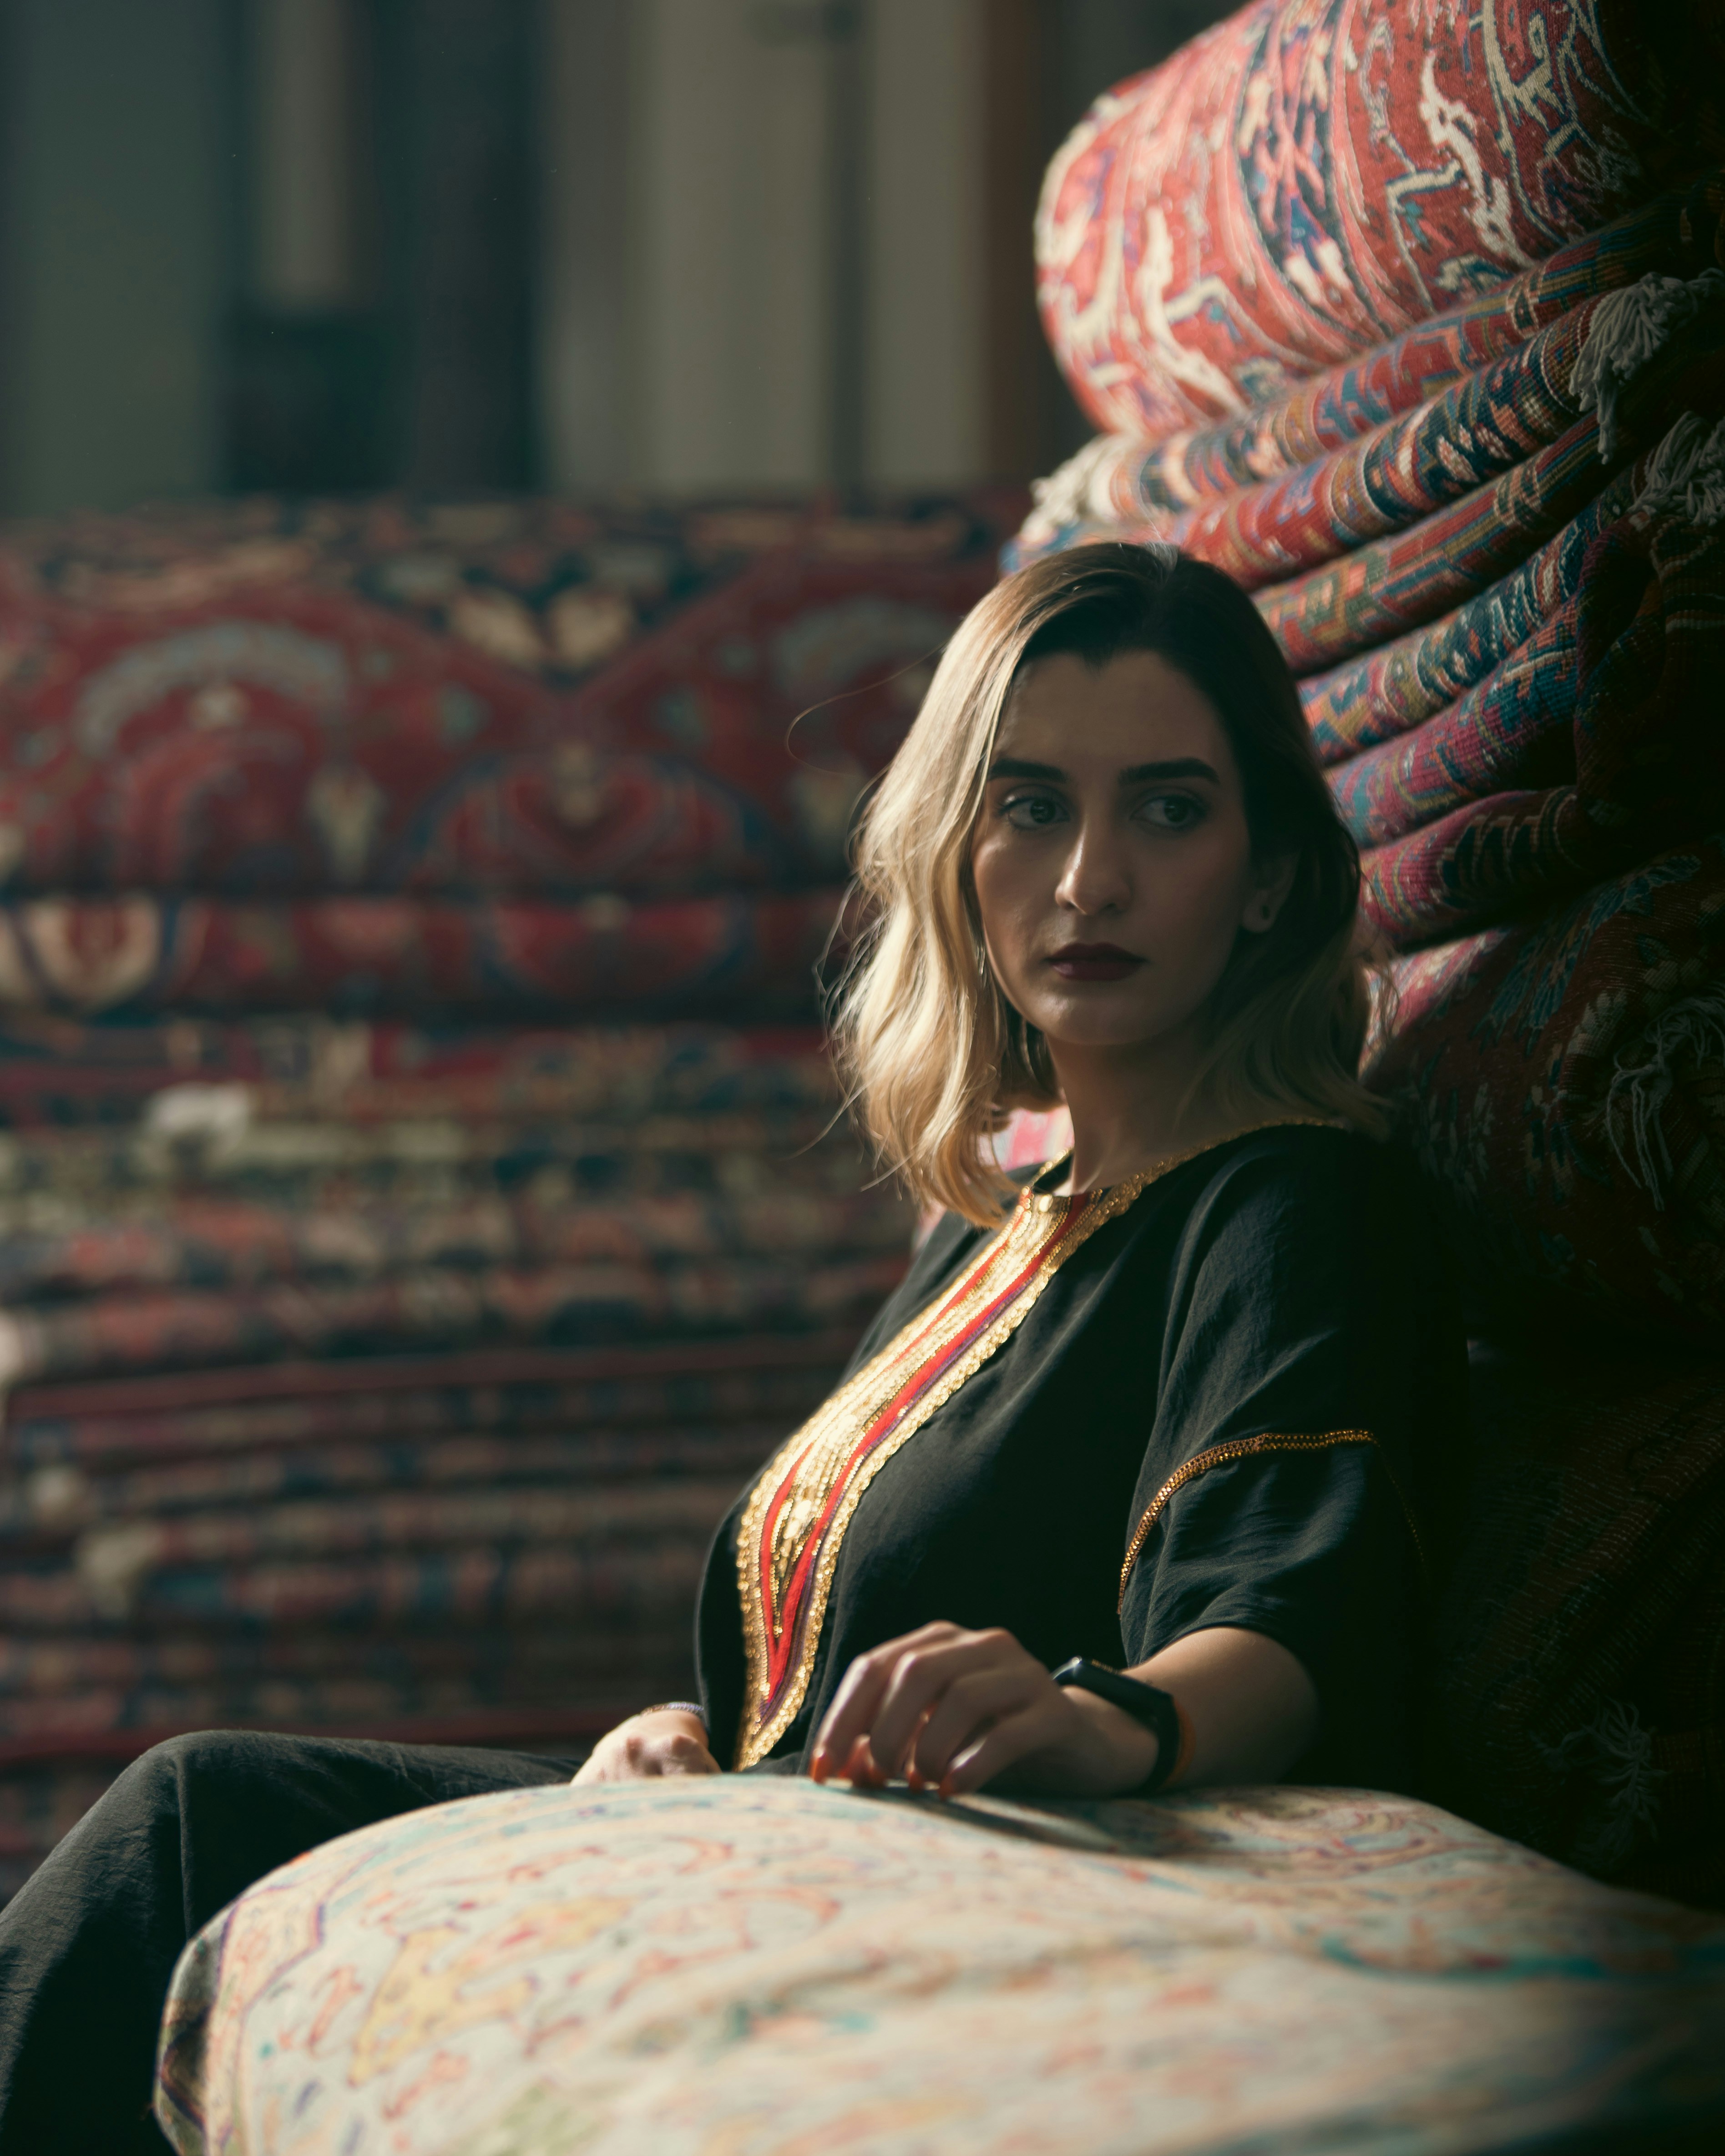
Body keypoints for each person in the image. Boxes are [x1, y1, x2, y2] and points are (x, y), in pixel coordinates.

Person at [0, 544, 1463, 2151]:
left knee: (197, 1821)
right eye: (1031, 805)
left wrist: (1109, 1717)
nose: (1087, 880)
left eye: (1169, 810)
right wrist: (668, 1732)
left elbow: (1284, 1620)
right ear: (956, 846)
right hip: (768, 1821)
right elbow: (816, 1639)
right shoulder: (995, 1217)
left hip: (953, 1863)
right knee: (202, 1817)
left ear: (1266, 874)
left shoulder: (1285, 1190)